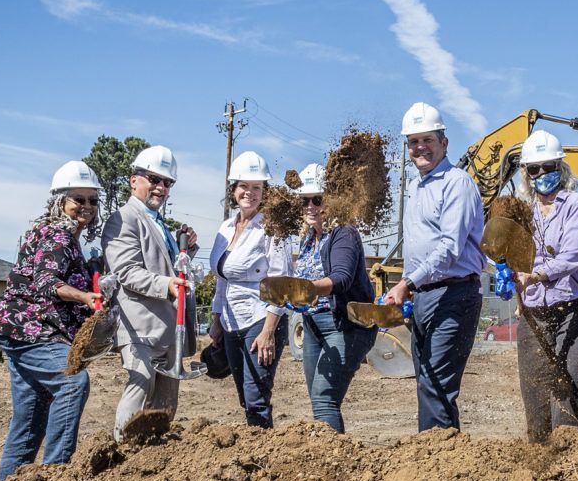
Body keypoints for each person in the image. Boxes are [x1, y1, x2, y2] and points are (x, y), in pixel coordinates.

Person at [0, 162, 103, 480]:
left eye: (93, 200)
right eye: (79, 199)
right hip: (32, 331)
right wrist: (84, 297)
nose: (87, 207)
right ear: (60, 201)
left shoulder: (62, 237)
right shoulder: (57, 235)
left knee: (30, 419)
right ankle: (55, 476)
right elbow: (46, 282)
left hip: (15, 331)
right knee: (72, 381)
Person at [383, 102, 486, 431]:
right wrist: (407, 286)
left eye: (427, 139)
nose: (419, 148)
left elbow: (450, 248)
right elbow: (416, 248)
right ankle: (442, 460)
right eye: (413, 142)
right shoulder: (414, 188)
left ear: (444, 143)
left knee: (436, 385)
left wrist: (405, 284)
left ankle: (434, 462)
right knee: (427, 382)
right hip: (424, 297)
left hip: (455, 295)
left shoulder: (458, 184)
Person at [509, 130, 578, 442]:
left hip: (575, 308)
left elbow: (574, 253)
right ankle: (539, 452)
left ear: (560, 168)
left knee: (565, 384)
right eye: (534, 169)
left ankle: (566, 453)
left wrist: (535, 275)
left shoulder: (575, 203)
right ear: (526, 173)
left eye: (548, 167)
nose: (541, 174)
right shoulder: (523, 211)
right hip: (535, 310)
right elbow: (514, 254)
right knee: (535, 388)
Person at [102, 145, 199, 441]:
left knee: (166, 405)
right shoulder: (123, 219)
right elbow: (127, 272)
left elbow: (167, 267)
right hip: (140, 328)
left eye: (166, 183)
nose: (160, 187)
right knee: (139, 390)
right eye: (154, 179)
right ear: (134, 180)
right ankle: (123, 450)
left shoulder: (159, 223)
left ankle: (155, 462)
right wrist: (166, 286)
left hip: (168, 329)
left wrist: (188, 249)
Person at [291, 162, 377, 433]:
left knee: (324, 399)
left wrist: (307, 289)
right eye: (305, 201)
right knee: (321, 401)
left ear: (334, 200)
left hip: (343, 326)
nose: (310, 206)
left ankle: (336, 463)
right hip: (313, 327)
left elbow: (341, 278)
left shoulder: (343, 234)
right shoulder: (308, 239)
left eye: (318, 199)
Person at [208, 150, 290, 428]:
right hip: (231, 321)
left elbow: (280, 282)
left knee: (256, 396)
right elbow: (222, 278)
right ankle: (255, 445)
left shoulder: (272, 228)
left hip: (260, 318)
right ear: (233, 189)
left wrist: (268, 332)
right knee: (244, 394)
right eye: (244, 186)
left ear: (265, 192)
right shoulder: (226, 227)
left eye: (257, 187)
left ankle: (264, 456)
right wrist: (217, 319)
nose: (250, 193)